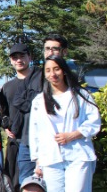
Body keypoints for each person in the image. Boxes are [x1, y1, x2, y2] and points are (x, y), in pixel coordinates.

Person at [30, 55, 100, 192]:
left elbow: (94, 122)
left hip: (78, 155)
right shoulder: (40, 101)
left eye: (57, 69)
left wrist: (74, 135)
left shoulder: (81, 95)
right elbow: (36, 133)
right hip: (51, 159)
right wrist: (38, 160)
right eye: (48, 70)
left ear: (64, 71)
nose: (53, 74)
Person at [11, 34, 70, 182]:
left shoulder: (70, 78)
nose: (50, 52)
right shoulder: (33, 75)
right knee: (26, 185)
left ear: (64, 52)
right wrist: (38, 105)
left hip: (57, 143)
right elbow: (17, 100)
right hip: (29, 140)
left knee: (54, 188)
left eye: (54, 49)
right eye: (47, 49)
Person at [1, 43, 33, 191]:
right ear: (11, 61)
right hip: (16, 141)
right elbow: (3, 113)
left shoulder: (39, 82)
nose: (19, 60)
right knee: (15, 183)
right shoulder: (7, 87)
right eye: (15, 57)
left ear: (29, 57)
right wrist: (6, 127)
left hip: (35, 139)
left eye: (22, 56)